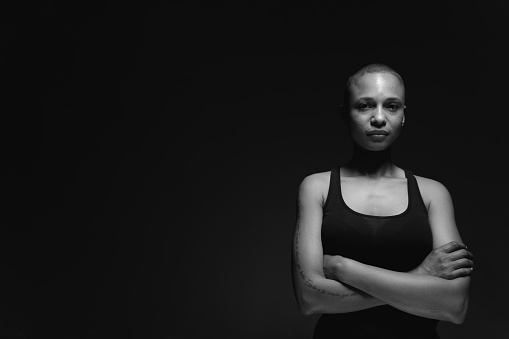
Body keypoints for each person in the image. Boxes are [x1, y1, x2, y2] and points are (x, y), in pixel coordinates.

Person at [291, 63, 473, 338]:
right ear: (344, 114)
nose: (378, 118)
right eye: (365, 105)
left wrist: (344, 268)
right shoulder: (317, 188)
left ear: (403, 116)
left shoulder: (432, 193)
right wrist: (420, 276)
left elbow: (455, 306)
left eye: (391, 106)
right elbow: (310, 299)